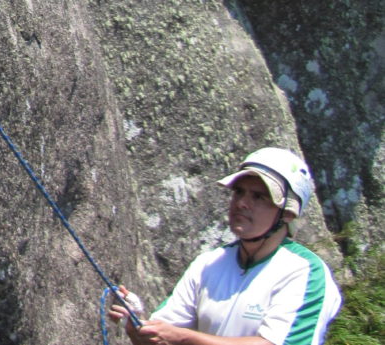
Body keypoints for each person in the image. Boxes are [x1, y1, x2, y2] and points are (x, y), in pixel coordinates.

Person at [108, 147, 342, 345]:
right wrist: (136, 326)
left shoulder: (304, 273)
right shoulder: (208, 264)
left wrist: (181, 336)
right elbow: (164, 336)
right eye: (239, 192)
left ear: (288, 213)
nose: (241, 203)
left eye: (259, 197)